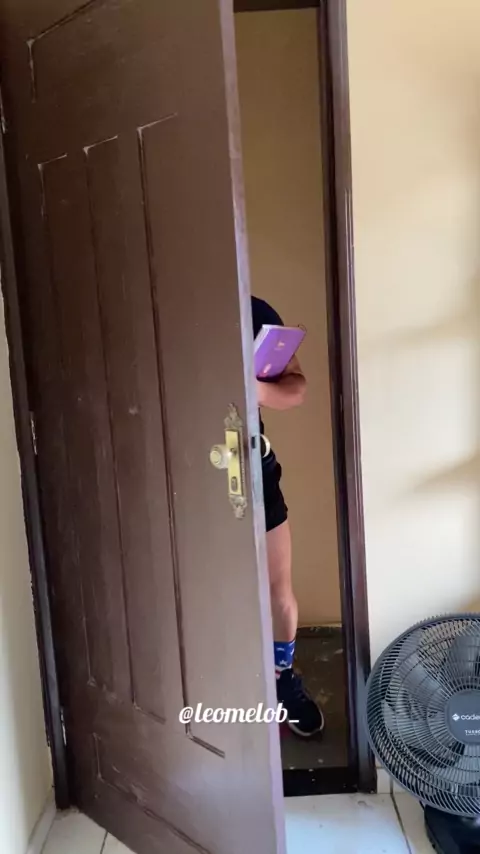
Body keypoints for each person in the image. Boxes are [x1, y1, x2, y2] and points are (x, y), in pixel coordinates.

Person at [252, 295, 324, 738]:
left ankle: (282, 680)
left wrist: (253, 389)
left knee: (279, 591)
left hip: (250, 466)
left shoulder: (255, 313)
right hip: (181, 470)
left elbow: (295, 387)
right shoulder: (161, 310)